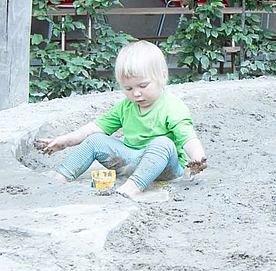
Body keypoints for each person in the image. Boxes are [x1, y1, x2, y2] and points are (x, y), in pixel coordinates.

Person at [36, 40, 208, 198]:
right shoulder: (125, 106)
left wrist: (197, 159)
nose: (136, 93)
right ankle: (60, 178)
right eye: (128, 88)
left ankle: (130, 188)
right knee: (95, 139)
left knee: (163, 143)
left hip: (164, 167)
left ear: (163, 76)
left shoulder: (172, 106)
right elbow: (95, 128)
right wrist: (65, 141)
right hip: (130, 159)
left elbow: (188, 138)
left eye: (143, 86)